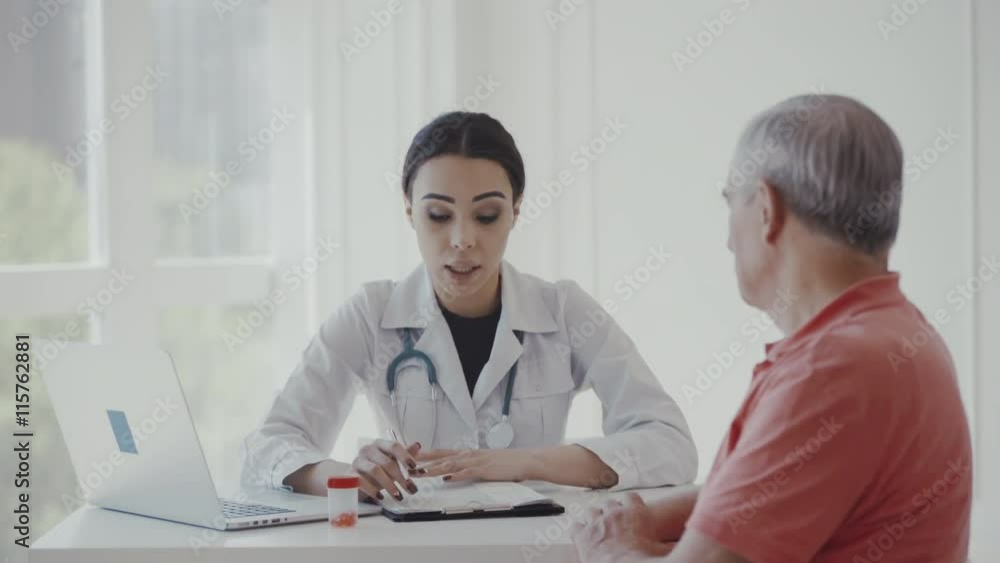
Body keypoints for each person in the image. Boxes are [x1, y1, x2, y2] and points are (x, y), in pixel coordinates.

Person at [572, 94, 972, 562]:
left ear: (766, 208)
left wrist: (610, 547)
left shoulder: (831, 370)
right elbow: (772, 494)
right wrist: (649, 520)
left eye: (731, 203)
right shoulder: (900, 336)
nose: (727, 240)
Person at [240, 111, 697, 503]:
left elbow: (671, 446)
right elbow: (268, 448)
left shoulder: (563, 311)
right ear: (409, 211)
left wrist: (525, 463)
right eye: (439, 216)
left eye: (487, 215)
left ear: (516, 210)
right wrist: (348, 477)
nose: (462, 240)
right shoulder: (370, 314)